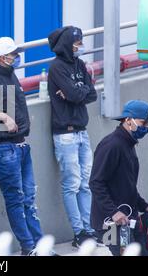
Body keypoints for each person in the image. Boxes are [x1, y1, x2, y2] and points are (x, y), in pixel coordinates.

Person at [0, 37, 46, 256]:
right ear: (3, 57)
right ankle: (29, 247)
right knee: (16, 200)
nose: (17, 57)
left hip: (19, 146)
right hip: (4, 148)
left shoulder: (9, 75)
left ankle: (39, 245)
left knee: (28, 199)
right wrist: (2, 116)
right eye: (14, 54)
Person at [47, 26, 98, 247]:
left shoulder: (80, 65)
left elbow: (90, 94)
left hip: (82, 132)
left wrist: (76, 94)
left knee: (86, 184)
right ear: (68, 44)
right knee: (72, 184)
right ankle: (79, 233)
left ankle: (89, 229)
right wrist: (77, 93)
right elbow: (79, 93)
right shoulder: (56, 68)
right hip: (65, 134)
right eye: (77, 43)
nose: (80, 47)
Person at [90, 100, 148, 256]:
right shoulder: (112, 145)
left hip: (127, 219)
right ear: (128, 120)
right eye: (143, 123)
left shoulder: (128, 144)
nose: (146, 127)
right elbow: (96, 183)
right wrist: (113, 212)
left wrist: (143, 205)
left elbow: (127, 185)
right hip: (110, 223)